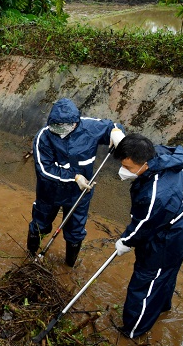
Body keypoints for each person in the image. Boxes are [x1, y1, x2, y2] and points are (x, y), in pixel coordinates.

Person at [113, 133, 183, 339]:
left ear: (145, 164)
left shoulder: (156, 194)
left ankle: (133, 331)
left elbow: (142, 227)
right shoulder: (162, 155)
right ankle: (162, 308)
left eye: (128, 168)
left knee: (144, 285)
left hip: (167, 242)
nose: (123, 171)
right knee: (166, 276)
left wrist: (125, 242)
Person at [27, 98, 125, 266]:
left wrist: (117, 133)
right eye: (56, 126)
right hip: (50, 192)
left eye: (65, 126)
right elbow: (45, 170)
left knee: (75, 231)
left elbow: (111, 127)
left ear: (75, 123)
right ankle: (30, 256)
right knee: (40, 224)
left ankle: (69, 266)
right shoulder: (44, 137)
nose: (60, 130)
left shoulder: (89, 127)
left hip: (79, 194)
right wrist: (74, 177)